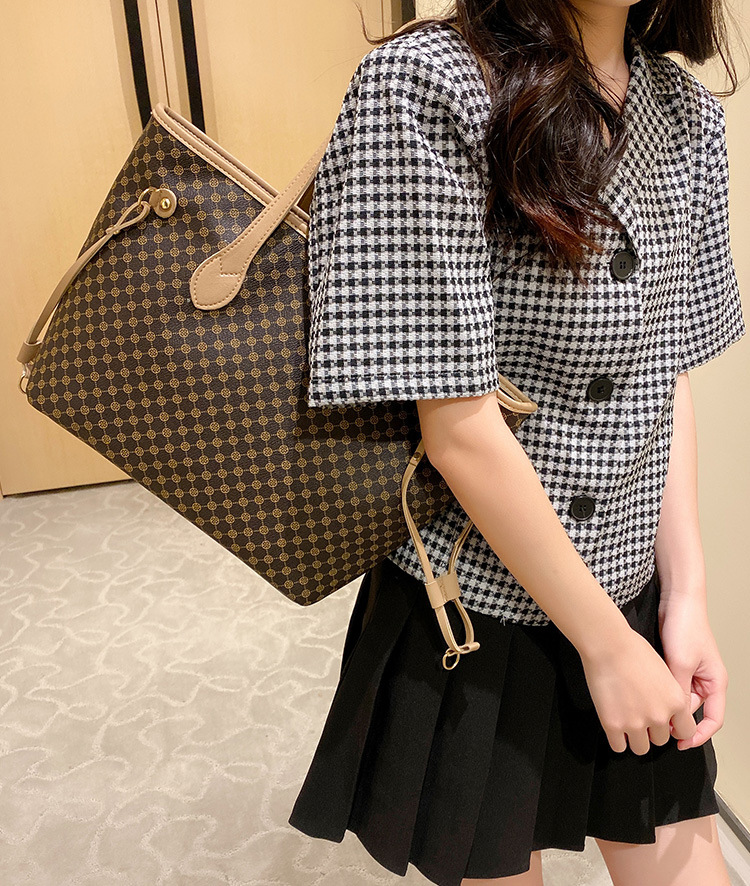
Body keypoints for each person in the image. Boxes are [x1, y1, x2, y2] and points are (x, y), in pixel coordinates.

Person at [288, 1, 747, 884]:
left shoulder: (687, 112)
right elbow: (456, 424)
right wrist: (605, 647)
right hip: (475, 608)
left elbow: (664, 375)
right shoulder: (426, 84)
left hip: (631, 590)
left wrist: (685, 599)